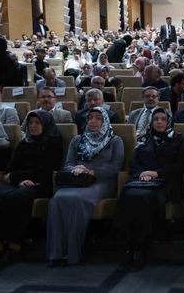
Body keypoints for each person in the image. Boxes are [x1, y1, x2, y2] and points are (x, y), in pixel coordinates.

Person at [0, 110, 63, 264]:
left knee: (17, 198)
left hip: (41, 183)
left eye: (37, 123)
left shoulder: (53, 143)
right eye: (30, 123)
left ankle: (15, 243)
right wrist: (18, 179)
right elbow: (12, 167)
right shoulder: (25, 143)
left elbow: (48, 169)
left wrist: (21, 178)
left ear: (46, 124)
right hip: (19, 182)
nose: (33, 126)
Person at [47, 107, 124, 267]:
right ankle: (56, 252)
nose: (93, 121)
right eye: (90, 118)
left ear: (104, 121)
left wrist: (93, 171)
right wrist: (77, 169)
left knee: (78, 199)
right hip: (78, 179)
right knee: (58, 199)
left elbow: (116, 167)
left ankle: (73, 252)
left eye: (98, 118)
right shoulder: (77, 140)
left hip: (102, 181)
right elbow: (68, 164)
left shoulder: (115, 140)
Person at [113, 107, 184, 271]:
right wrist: (142, 174)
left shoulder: (178, 139)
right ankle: (129, 246)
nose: (159, 122)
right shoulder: (143, 140)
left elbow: (180, 165)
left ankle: (142, 248)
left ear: (168, 121)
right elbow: (133, 164)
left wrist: (156, 173)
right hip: (141, 180)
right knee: (128, 195)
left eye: (163, 119)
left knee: (146, 198)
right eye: (156, 119)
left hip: (166, 182)